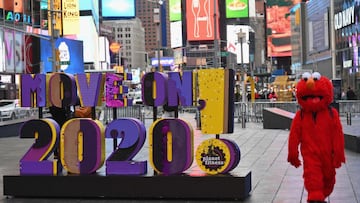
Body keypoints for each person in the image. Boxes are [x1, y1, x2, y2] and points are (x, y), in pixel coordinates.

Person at [288, 72, 345, 203]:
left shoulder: (332, 114)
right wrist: (293, 154)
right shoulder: (300, 116)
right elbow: (294, 136)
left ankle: (320, 195)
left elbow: (338, 135)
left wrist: (338, 155)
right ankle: (315, 196)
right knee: (312, 177)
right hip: (310, 154)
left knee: (329, 179)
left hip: (328, 154)